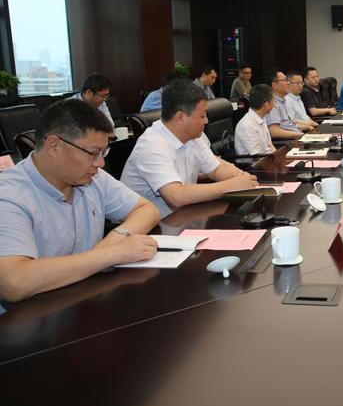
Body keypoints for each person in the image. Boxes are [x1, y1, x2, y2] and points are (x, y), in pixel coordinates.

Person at [0, 100, 160, 302]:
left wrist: (114, 240)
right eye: (93, 153)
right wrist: (111, 254)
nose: (100, 163)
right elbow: (13, 283)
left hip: (85, 299)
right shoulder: (9, 196)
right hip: (33, 313)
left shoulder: (92, 178)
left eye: (103, 153)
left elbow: (147, 209)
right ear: (54, 146)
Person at [121, 79, 258, 217]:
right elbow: (176, 196)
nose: (206, 120)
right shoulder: (152, 145)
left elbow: (216, 169)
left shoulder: (193, 136)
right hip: (153, 226)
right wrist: (230, 186)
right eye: (203, 115)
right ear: (180, 117)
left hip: (183, 216)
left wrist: (244, 178)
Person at [235, 84, 276, 156]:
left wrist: (278, 157)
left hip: (267, 158)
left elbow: (270, 145)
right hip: (254, 162)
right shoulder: (247, 125)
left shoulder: (262, 118)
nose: (275, 104)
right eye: (273, 101)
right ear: (266, 104)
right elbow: (256, 156)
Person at [265, 69, 305, 139]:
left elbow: (287, 125)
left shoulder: (282, 101)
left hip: (296, 137)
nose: (288, 83)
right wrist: (302, 135)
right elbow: (274, 132)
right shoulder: (272, 103)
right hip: (289, 141)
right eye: (285, 80)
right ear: (275, 85)